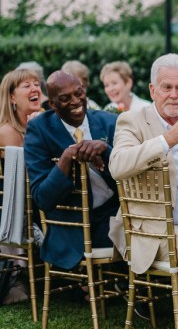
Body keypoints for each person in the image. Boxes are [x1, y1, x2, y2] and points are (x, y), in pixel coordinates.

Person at [108, 53, 178, 329]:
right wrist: (168, 139)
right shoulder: (132, 121)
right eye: (166, 87)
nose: (174, 95)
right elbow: (118, 165)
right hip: (157, 230)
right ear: (152, 90)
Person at [24, 71, 119, 270]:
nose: (76, 101)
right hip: (74, 226)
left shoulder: (109, 121)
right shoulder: (39, 129)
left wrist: (105, 150)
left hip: (114, 212)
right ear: (51, 104)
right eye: (65, 98)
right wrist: (66, 159)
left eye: (79, 93)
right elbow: (42, 198)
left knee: (145, 228)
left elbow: (129, 172)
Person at [0, 68, 43, 305]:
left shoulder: (41, 121)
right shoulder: (7, 132)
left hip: (36, 197)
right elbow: (34, 167)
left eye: (37, 84)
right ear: (12, 97)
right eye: (26, 85)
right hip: (18, 205)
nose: (35, 88)